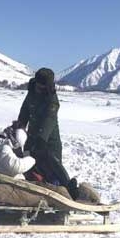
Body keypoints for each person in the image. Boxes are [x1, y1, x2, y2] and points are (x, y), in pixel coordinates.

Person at [14, 68, 80, 199]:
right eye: (38, 85)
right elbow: (25, 109)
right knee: (31, 169)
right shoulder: (32, 91)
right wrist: (20, 125)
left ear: (47, 86)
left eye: (42, 86)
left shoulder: (52, 100)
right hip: (32, 138)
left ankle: (66, 193)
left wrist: (42, 138)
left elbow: (49, 120)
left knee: (54, 173)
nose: (39, 88)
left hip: (49, 142)